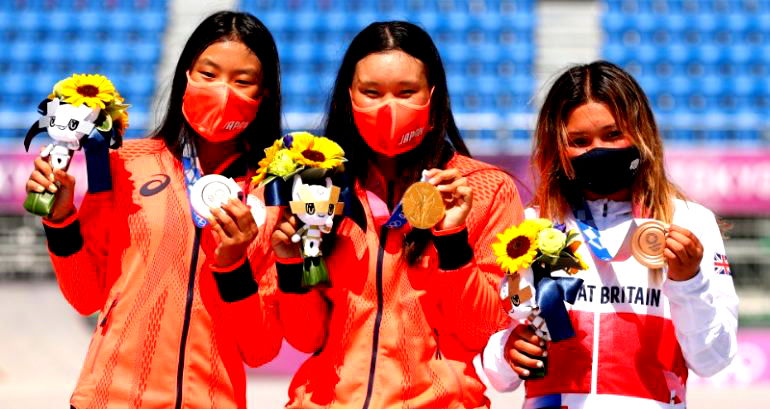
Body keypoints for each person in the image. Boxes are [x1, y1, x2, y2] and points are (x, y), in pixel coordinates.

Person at [25, 11, 283, 409]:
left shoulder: (272, 195)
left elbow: (261, 349)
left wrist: (234, 266)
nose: (223, 91)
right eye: (208, 73)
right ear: (185, 77)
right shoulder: (126, 163)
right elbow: (84, 295)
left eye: (242, 81)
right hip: (109, 398)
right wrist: (60, 221)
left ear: (263, 95)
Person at [270, 21, 524, 409]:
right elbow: (306, 337)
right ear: (348, 98)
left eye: (407, 93)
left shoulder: (484, 190)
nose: (389, 108)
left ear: (433, 97)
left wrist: (453, 243)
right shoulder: (319, 188)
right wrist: (291, 265)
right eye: (371, 93)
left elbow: (481, 331)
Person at [479, 60, 738, 408]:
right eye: (580, 141)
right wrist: (508, 349)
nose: (598, 149)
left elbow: (713, 360)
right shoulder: (530, 231)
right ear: (559, 150)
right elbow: (495, 372)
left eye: (613, 134)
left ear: (641, 133)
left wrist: (688, 280)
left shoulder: (689, 223)